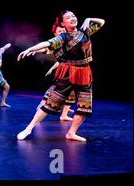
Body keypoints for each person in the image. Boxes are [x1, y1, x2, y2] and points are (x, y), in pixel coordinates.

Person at [16, 11, 105, 142]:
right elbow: (47, 44)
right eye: (68, 18)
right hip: (68, 73)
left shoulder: (85, 32)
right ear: (63, 23)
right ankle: (29, 128)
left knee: (84, 106)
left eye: (74, 16)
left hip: (85, 73)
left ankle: (71, 133)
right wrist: (30, 49)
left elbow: (102, 22)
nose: (72, 18)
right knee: (51, 102)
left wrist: (89, 18)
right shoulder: (63, 37)